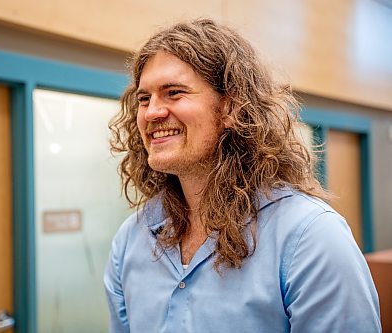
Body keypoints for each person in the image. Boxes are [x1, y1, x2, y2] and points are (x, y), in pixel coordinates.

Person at [104, 19, 380, 332]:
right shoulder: (130, 242)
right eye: (144, 98)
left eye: (174, 93)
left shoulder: (309, 238)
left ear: (231, 108)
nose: (152, 112)